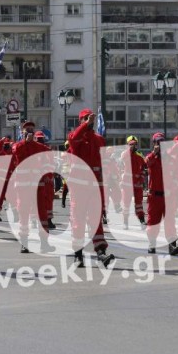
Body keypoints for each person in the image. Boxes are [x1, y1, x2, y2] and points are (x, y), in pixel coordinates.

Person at [67, 108, 115, 268]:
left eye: (90, 118)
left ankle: (101, 252)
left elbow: (101, 168)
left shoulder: (99, 140)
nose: (90, 121)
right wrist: (85, 125)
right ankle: (78, 254)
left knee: (96, 220)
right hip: (79, 188)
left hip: (94, 187)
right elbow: (73, 139)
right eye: (86, 118)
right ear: (81, 121)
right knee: (78, 221)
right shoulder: (76, 138)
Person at [0, 121, 52, 254]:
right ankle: (24, 244)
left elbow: (49, 155)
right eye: (27, 129)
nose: (29, 130)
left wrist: (48, 174)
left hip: (38, 186)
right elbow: (16, 151)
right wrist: (26, 141)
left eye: (31, 129)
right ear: (22, 132)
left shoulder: (39, 146)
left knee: (42, 214)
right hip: (23, 187)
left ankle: (44, 243)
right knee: (23, 215)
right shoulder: (18, 146)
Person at [144, 132, 178, 256]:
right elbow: (146, 163)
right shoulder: (151, 158)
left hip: (169, 196)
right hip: (155, 196)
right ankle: (152, 243)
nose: (160, 145)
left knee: (170, 221)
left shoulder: (170, 159)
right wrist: (154, 153)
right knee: (153, 220)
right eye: (157, 142)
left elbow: (176, 175)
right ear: (153, 144)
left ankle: (172, 245)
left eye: (161, 142)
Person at [121, 135, 146, 228]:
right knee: (126, 204)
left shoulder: (140, 155)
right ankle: (125, 222)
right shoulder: (125, 154)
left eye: (135, 144)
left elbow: (144, 168)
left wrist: (141, 179)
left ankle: (142, 220)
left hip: (137, 184)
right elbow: (123, 160)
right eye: (131, 144)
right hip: (127, 184)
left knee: (139, 204)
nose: (133, 146)